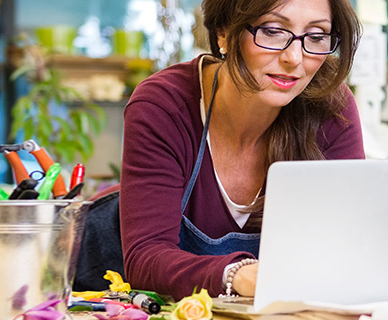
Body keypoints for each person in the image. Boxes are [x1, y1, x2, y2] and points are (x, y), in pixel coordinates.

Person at [118, 0, 363, 300]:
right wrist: (237, 275)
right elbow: (146, 257)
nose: (294, 58)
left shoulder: (331, 110)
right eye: (273, 31)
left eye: (315, 37)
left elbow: (347, 246)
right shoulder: (165, 107)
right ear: (224, 33)